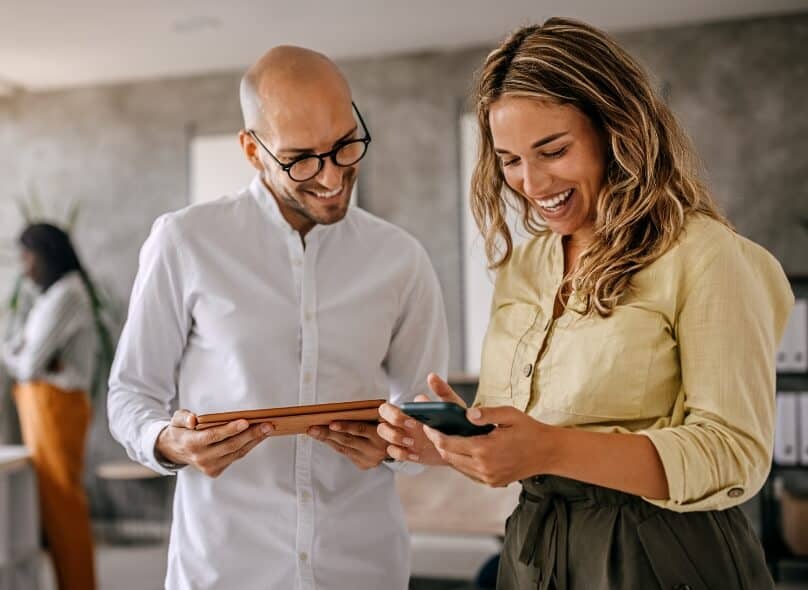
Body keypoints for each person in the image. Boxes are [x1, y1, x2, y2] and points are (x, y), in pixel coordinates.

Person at [378, 17, 793, 590]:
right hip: (534, 553)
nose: (530, 180)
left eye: (552, 150)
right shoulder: (525, 266)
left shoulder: (705, 255)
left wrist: (550, 447)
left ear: (615, 129)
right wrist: (448, 445)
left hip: (663, 555)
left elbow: (733, 456)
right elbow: (518, 440)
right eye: (509, 159)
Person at [107, 46, 448, 590]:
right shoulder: (186, 241)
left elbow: (425, 413)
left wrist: (400, 446)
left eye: (344, 146)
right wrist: (170, 443)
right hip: (225, 568)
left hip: (363, 566)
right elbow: (130, 395)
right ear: (251, 149)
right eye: (301, 159)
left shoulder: (401, 259)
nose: (332, 176)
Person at [2, 223, 99, 590]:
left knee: (64, 504)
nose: (24, 267)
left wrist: (26, 355)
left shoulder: (66, 294)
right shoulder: (50, 296)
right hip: (43, 405)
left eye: (28, 256)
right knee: (53, 505)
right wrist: (27, 353)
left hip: (57, 406)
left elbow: (25, 363)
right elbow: (19, 350)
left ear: (46, 254)